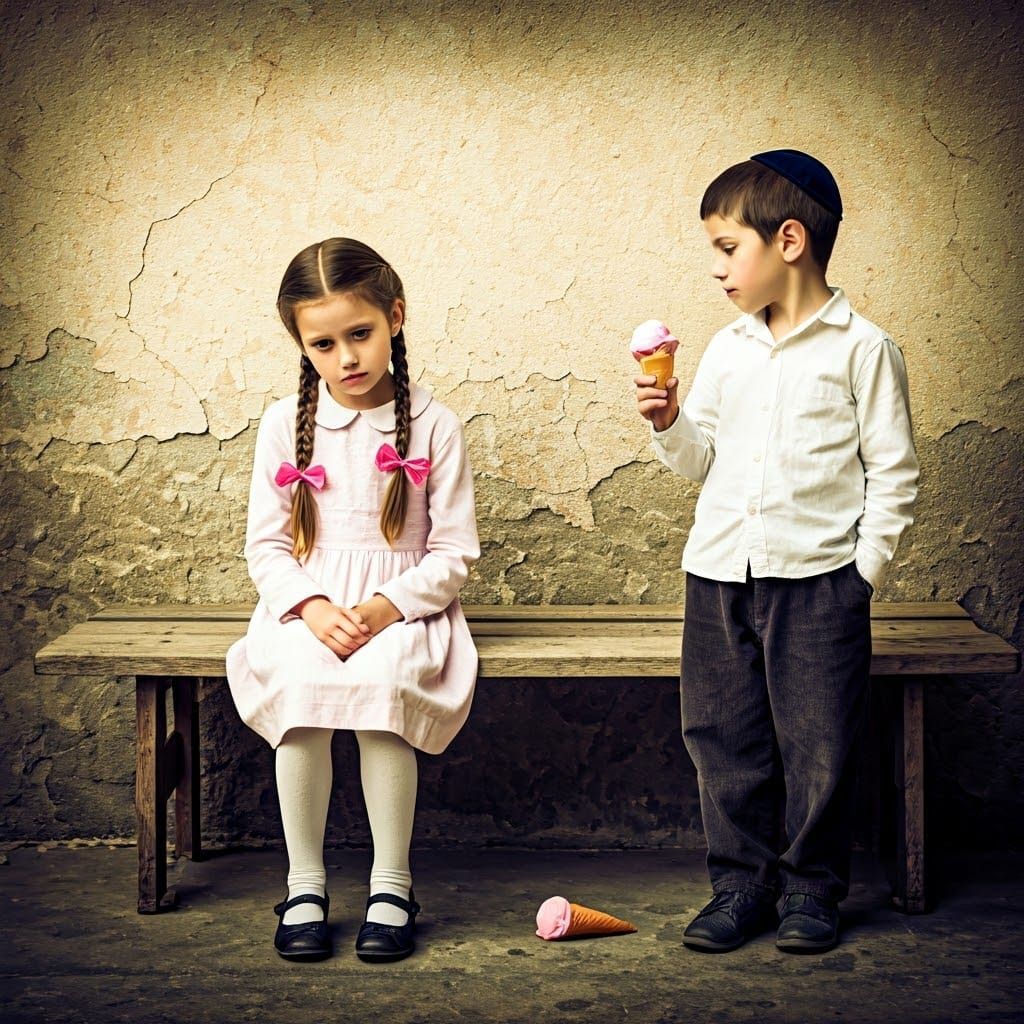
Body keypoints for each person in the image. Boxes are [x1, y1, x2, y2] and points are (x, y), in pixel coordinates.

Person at [634, 150, 918, 953]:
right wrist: (667, 422)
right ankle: (740, 888)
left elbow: (894, 473)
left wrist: (862, 574)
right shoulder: (727, 349)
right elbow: (700, 460)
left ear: (788, 240)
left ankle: (811, 891)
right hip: (719, 572)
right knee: (722, 738)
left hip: (819, 581)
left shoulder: (863, 350)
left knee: (819, 742)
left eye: (728, 247)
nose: (716, 267)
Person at [226, 237, 480, 964]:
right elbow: (267, 547)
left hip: (403, 606)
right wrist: (308, 608)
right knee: (303, 687)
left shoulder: (435, 425)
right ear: (303, 346)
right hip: (307, 605)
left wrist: (381, 609)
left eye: (360, 333)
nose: (346, 358)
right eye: (324, 343)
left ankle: (390, 884)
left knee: (381, 688)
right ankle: (304, 883)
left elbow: (454, 552)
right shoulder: (285, 425)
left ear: (395, 317)